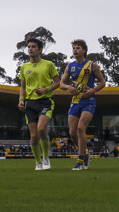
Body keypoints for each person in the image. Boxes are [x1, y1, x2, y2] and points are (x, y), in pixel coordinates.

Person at [59, 39, 106, 170]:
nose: (75, 50)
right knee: (72, 133)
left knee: (81, 128)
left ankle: (80, 161)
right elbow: (61, 83)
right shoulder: (70, 66)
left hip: (88, 101)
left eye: (78, 48)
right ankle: (84, 154)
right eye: (74, 48)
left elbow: (102, 82)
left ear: (84, 50)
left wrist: (93, 91)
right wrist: (68, 87)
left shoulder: (92, 65)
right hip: (75, 102)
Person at [17, 38, 60, 171]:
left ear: (40, 50)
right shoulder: (24, 67)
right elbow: (23, 87)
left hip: (45, 102)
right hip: (30, 104)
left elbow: (57, 82)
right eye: (29, 46)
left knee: (42, 129)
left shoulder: (48, 64)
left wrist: (46, 89)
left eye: (33, 46)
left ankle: (46, 157)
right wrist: (21, 100)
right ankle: (38, 162)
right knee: (34, 136)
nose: (30, 49)